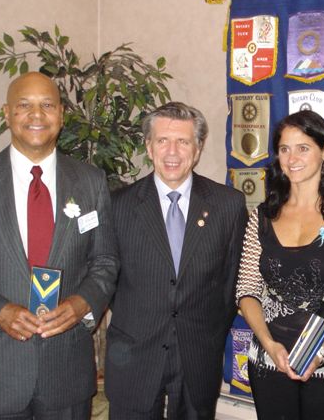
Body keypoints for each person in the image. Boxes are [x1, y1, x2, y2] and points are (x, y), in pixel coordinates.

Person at [0, 72, 119, 419]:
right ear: (7, 112)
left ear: (61, 113)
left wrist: (82, 303)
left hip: (67, 371)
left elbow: (105, 261)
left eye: (47, 105)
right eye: (24, 105)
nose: (36, 115)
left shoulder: (91, 181)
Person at [105, 102, 248, 419]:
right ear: (148, 146)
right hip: (134, 354)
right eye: (162, 141)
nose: (172, 151)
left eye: (183, 141)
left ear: (197, 149)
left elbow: (231, 282)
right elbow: (108, 280)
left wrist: (207, 330)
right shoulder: (118, 206)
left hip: (198, 353)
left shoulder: (228, 205)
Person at [236, 110, 324, 420]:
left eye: (303, 147)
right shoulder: (262, 216)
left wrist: (318, 353)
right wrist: (269, 345)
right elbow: (246, 290)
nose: (292, 157)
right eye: (284, 149)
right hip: (270, 360)